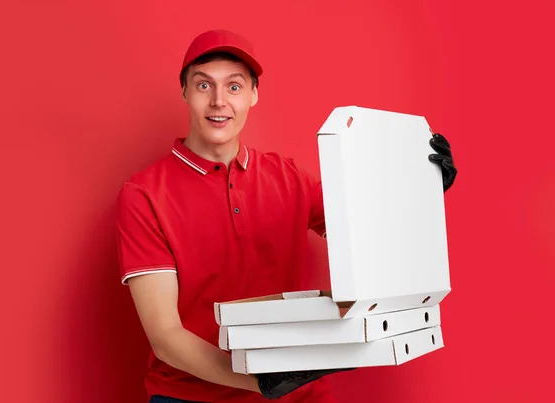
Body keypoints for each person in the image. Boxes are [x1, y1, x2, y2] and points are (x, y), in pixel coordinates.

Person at [114, 29, 458, 403]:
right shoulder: (144, 195)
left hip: (298, 397)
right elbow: (166, 336)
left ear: (253, 95)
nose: (218, 102)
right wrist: (258, 382)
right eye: (203, 86)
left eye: (234, 87)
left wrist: (421, 187)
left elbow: (369, 230)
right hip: (192, 397)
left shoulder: (289, 177)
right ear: (184, 92)